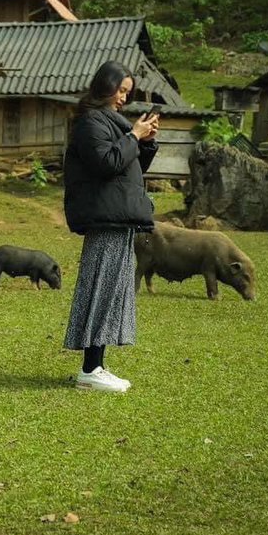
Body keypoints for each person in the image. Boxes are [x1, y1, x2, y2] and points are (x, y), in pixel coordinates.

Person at [62, 60, 159, 392]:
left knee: (111, 291)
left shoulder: (110, 123)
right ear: (105, 87)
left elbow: (129, 167)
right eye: (120, 91)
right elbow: (107, 164)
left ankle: (97, 365)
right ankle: (90, 369)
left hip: (117, 218)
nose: (123, 98)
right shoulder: (91, 123)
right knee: (101, 290)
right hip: (105, 220)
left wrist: (144, 142)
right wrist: (133, 134)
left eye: (127, 93)